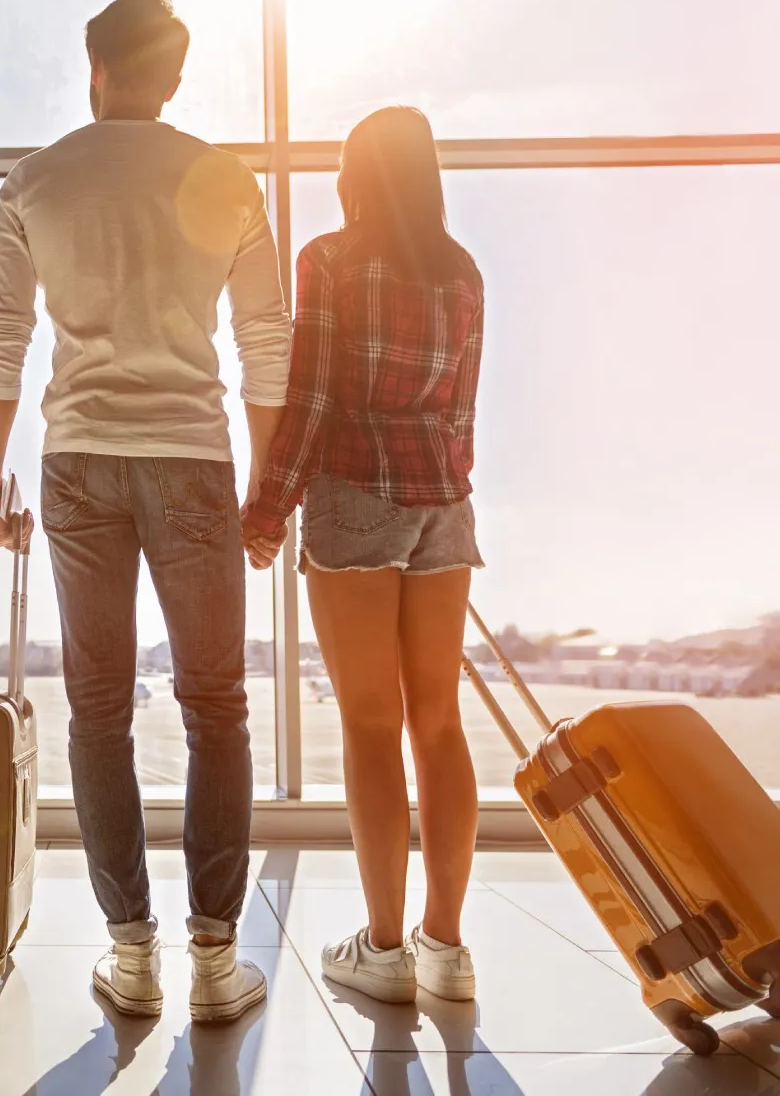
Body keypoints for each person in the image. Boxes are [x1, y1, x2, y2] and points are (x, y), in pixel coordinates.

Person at [0, 0, 291, 1023]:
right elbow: (267, 341)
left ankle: (133, 954)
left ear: (95, 67)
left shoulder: (34, 181)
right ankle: (215, 959)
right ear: (176, 78)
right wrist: (264, 490)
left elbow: (2, 336)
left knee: (99, 710)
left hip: (78, 461)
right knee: (217, 706)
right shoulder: (228, 180)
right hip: (193, 458)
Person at [243, 106, 485, 1004]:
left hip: (353, 496)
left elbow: (310, 397)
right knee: (440, 724)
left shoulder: (332, 259)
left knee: (371, 725)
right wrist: (444, 493)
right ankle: (446, 948)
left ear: (356, 174)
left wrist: (269, 507)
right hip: (444, 504)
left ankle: (383, 951)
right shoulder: (463, 272)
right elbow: (463, 410)